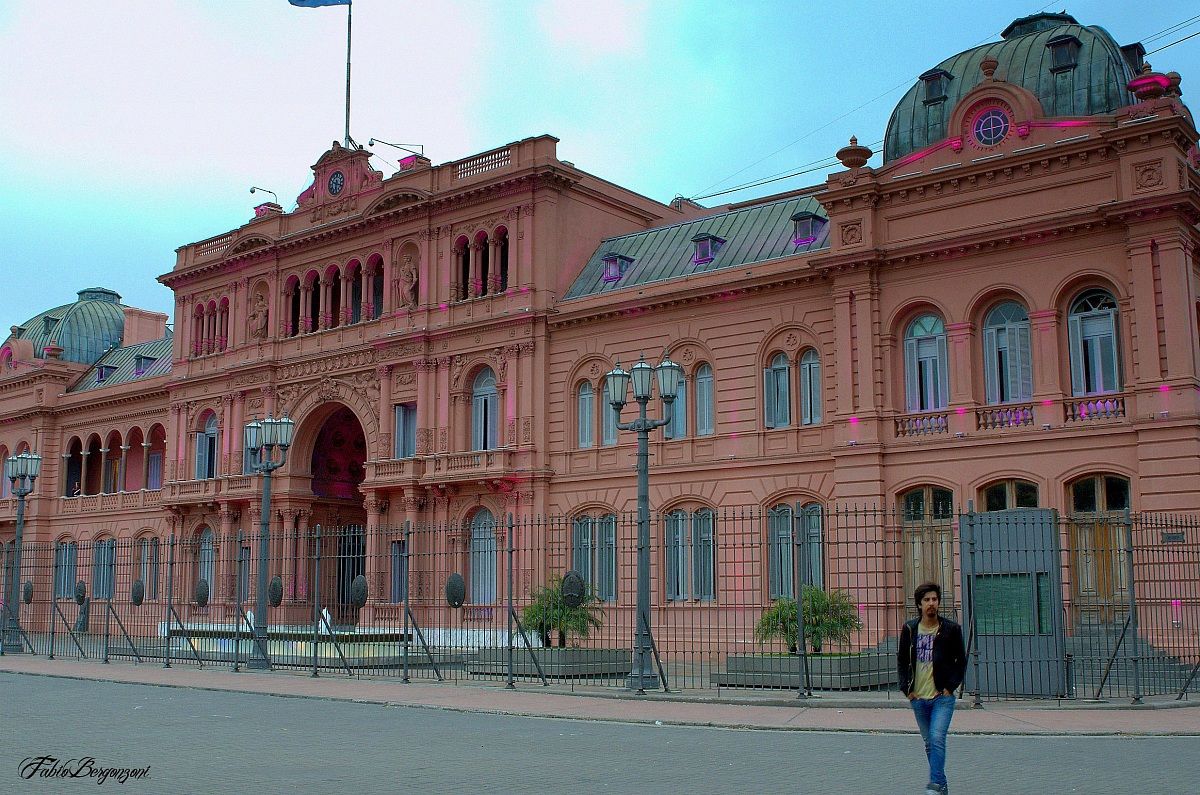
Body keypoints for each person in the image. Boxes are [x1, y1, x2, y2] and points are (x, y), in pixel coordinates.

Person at [897, 582, 967, 795]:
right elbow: (902, 661)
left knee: (937, 737)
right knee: (929, 743)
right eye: (927, 600)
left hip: (941, 697)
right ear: (919, 604)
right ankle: (942, 785)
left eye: (934, 599)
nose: (931, 604)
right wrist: (906, 689)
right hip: (918, 697)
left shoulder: (951, 629)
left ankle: (934, 785)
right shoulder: (910, 629)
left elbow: (960, 661)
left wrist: (949, 687)